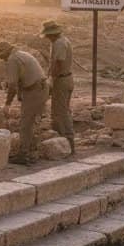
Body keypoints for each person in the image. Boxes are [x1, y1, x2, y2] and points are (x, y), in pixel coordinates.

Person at [0, 41, 47, 165]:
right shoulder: (22, 54)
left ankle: (24, 156)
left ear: (5, 53)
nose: (2, 60)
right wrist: (20, 95)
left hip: (34, 91)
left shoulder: (12, 60)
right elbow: (21, 78)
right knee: (32, 121)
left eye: (2, 57)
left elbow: (13, 85)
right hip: (41, 88)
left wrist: (7, 104)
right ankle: (32, 151)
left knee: (25, 124)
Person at [41, 20, 75, 156]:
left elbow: (58, 63)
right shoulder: (61, 41)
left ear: (52, 34)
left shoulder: (60, 43)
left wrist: (51, 80)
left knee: (61, 112)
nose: (47, 38)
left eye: (48, 36)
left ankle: (67, 142)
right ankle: (64, 140)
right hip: (66, 79)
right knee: (61, 110)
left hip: (61, 80)